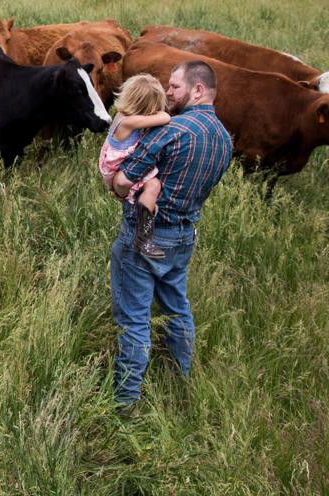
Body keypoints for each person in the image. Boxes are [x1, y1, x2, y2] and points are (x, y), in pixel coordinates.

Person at [109, 60, 233, 411]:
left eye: (174, 86)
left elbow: (122, 181)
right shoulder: (223, 137)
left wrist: (118, 184)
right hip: (183, 235)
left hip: (144, 236)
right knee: (178, 309)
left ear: (197, 90)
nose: (168, 92)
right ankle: (181, 384)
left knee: (134, 319)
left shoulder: (172, 130)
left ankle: (125, 402)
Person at [98, 74, 171, 259]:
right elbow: (164, 117)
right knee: (153, 186)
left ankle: (142, 217)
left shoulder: (123, 115)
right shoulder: (129, 122)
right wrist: (160, 112)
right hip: (117, 166)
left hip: (111, 163)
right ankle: (144, 237)